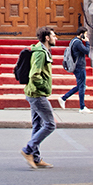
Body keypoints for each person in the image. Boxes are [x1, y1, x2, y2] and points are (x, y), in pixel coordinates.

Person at [21, 26, 57, 169]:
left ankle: (35, 158)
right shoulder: (40, 53)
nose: (56, 38)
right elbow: (34, 75)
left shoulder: (43, 51)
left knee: (38, 125)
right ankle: (28, 150)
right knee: (50, 124)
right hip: (37, 94)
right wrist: (44, 87)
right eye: (54, 35)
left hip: (34, 93)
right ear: (47, 38)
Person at [58, 26, 92, 114]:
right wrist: (87, 42)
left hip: (77, 66)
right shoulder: (78, 43)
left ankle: (64, 98)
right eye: (85, 34)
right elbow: (86, 51)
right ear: (82, 34)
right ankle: (82, 107)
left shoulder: (74, 41)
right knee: (81, 86)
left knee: (81, 85)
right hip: (79, 66)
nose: (86, 35)